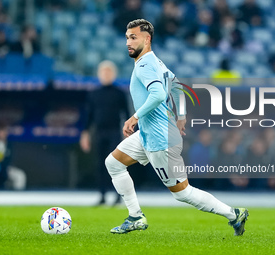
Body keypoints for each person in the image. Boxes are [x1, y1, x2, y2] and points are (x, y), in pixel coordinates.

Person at [105, 19, 248, 235]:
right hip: (148, 134)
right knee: (113, 163)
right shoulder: (157, 62)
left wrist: (134, 117)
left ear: (147, 38)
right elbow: (178, 87)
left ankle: (233, 214)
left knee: (183, 193)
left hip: (160, 140)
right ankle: (135, 216)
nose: (128, 42)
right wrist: (181, 115)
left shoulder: (145, 65)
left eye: (133, 37)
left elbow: (159, 94)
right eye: (127, 37)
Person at [80, 60, 129, 205]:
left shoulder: (120, 93)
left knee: (116, 165)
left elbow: (126, 114)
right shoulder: (94, 94)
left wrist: (128, 134)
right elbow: (88, 117)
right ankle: (102, 195)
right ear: (99, 74)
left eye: (109, 72)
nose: (106, 75)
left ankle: (119, 195)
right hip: (99, 133)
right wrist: (85, 134)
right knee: (100, 165)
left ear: (114, 74)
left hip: (115, 132)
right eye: (103, 72)